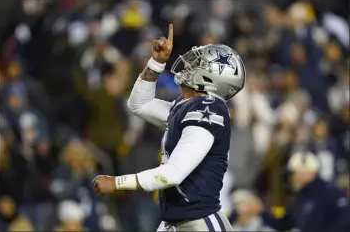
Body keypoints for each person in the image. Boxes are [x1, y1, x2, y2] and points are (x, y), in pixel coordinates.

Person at [92, 24, 246, 231]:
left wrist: (118, 182)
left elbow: (173, 173)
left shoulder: (208, 110)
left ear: (210, 78)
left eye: (197, 64)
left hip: (200, 224)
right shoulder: (185, 105)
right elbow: (138, 104)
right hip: (175, 223)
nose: (189, 65)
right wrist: (156, 63)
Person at [248, 151, 350, 232]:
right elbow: (285, 223)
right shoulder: (303, 195)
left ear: (307, 172)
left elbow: (344, 222)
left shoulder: (331, 193)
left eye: (294, 173)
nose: (292, 178)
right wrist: (261, 212)